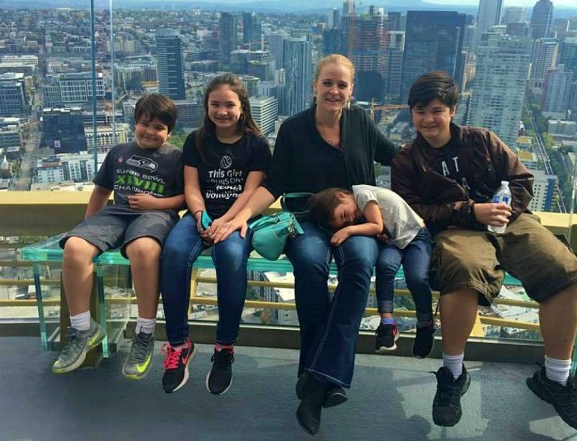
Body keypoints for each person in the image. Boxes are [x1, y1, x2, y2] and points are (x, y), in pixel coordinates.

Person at [391, 71, 577, 434]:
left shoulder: (482, 140)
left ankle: (556, 379)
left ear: (453, 110)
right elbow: (411, 212)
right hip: (457, 229)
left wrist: (503, 211)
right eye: (420, 111)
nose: (428, 119)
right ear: (411, 113)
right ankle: (453, 374)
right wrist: (471, 211)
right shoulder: (407, 161)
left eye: (437, 110)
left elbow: (522, 180)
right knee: (462, 274)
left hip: (511, 221)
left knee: (565, 272)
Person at [213, 54, 398, 435]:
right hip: (306, 220)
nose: (334, 91)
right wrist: (241, 215)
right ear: (314, 86)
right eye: (327, 83)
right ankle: (326, 377)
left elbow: (400, 158)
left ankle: (313, 384)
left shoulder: (361, 122)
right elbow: (274, 183)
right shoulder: (294, 129)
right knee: (310, 265)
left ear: (351, 90)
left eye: (342, 85)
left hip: (356, 219)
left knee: (359, 265)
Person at [53, 94, 185, 380]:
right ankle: (82, 328)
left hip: (157, 215)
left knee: (144, 250)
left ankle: (144, 333)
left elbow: (186, 198)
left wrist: (155, 203)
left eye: (159, 127)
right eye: (144, 124)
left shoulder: (176, 158)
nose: (150, 131)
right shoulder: (118, 152)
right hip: (116, 213)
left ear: (169, 131)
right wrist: (88, 229)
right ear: (135, 123)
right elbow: (101, 191)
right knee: (75, 247)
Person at [159, 74, 271, 396]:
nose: (222, 111)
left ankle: (224, 347)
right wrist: (200, 216)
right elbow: (191, 187)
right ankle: (179, 344)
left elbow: (250, 191)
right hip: (201, 214)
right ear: (207, 107)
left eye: (229, 105)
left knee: (231, 256)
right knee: (174, 253)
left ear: (242, 107)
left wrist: (225, 221)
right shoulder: (196, 140)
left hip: (238, 217)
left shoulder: (257, 144)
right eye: (215, 104)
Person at [308, 185, 434, 356]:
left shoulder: (362, 194)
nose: (350, 219)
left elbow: (376, 225)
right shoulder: (356, 208)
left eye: (344, 215)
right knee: (384, 266)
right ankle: (387, 325)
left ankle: (425, 324)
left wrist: (347, 230)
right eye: (346, 222)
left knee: (417, 278)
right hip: (395, 240)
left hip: (416, 235)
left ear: (341, 195)